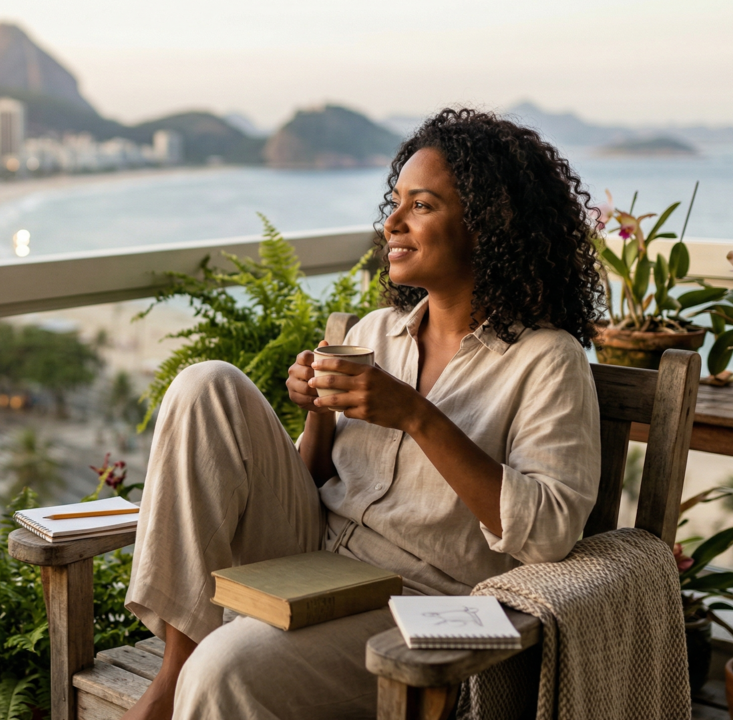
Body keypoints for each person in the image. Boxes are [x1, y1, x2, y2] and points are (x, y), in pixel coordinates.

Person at [120, 108, 605, 719]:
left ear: (488, 224)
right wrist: (319, 412)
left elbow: (551, 533)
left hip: (421, 603)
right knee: (205, 383)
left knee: (227, 671)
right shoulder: (378, 331)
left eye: (421, 205)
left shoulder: (545, 360)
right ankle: (173, 670)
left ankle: (191, 675)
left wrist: (418, 416)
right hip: (318, 555)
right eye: (394, 202)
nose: (391, 222)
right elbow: (320, 478)